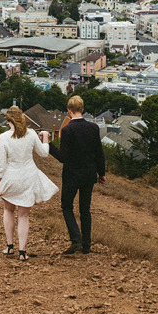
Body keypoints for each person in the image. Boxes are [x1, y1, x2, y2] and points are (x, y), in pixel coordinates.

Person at [0, 106, 58, 261]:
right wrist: (45, 138)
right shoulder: (31, 134)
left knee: (8, 210)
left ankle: (10, 246)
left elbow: (1, 165)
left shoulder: (4, 137)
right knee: (24, 215)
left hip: (11, 178)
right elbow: (44, 153)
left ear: (8, 120)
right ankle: (22, 252)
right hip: (28, 178)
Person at [44, 95, 105, 254]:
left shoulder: (67, 130)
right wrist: (101, 173)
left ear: (68, 111)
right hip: (89, 174)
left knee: (67, 207)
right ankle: (86, 245)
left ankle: (76, 239)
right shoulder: (94, 128)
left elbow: (62, 157)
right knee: (85, 209)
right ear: (82, 109)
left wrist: (48, 144)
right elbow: (99, 153)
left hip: (72, 175)